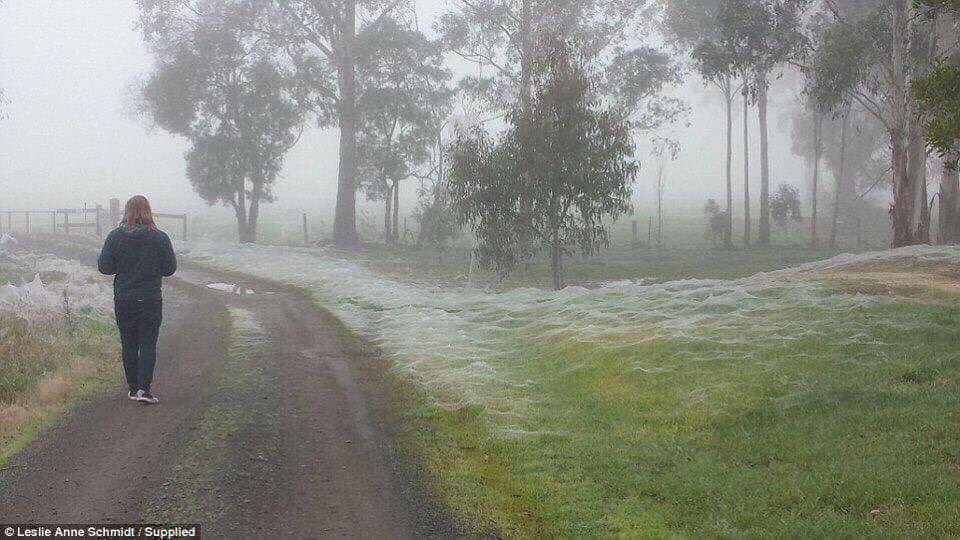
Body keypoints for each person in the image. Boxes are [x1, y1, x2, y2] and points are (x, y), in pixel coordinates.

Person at [97, 195, 177, 405]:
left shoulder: (115, 237)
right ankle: (144, 389)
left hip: (124, 298)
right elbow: (170, 269)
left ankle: (133, 389)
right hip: (150, 298)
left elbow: (104, 267)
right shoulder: (160, 238)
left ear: (126, 212)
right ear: (148, 211)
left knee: (129, 344)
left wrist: (122, 266)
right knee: (148, 343)